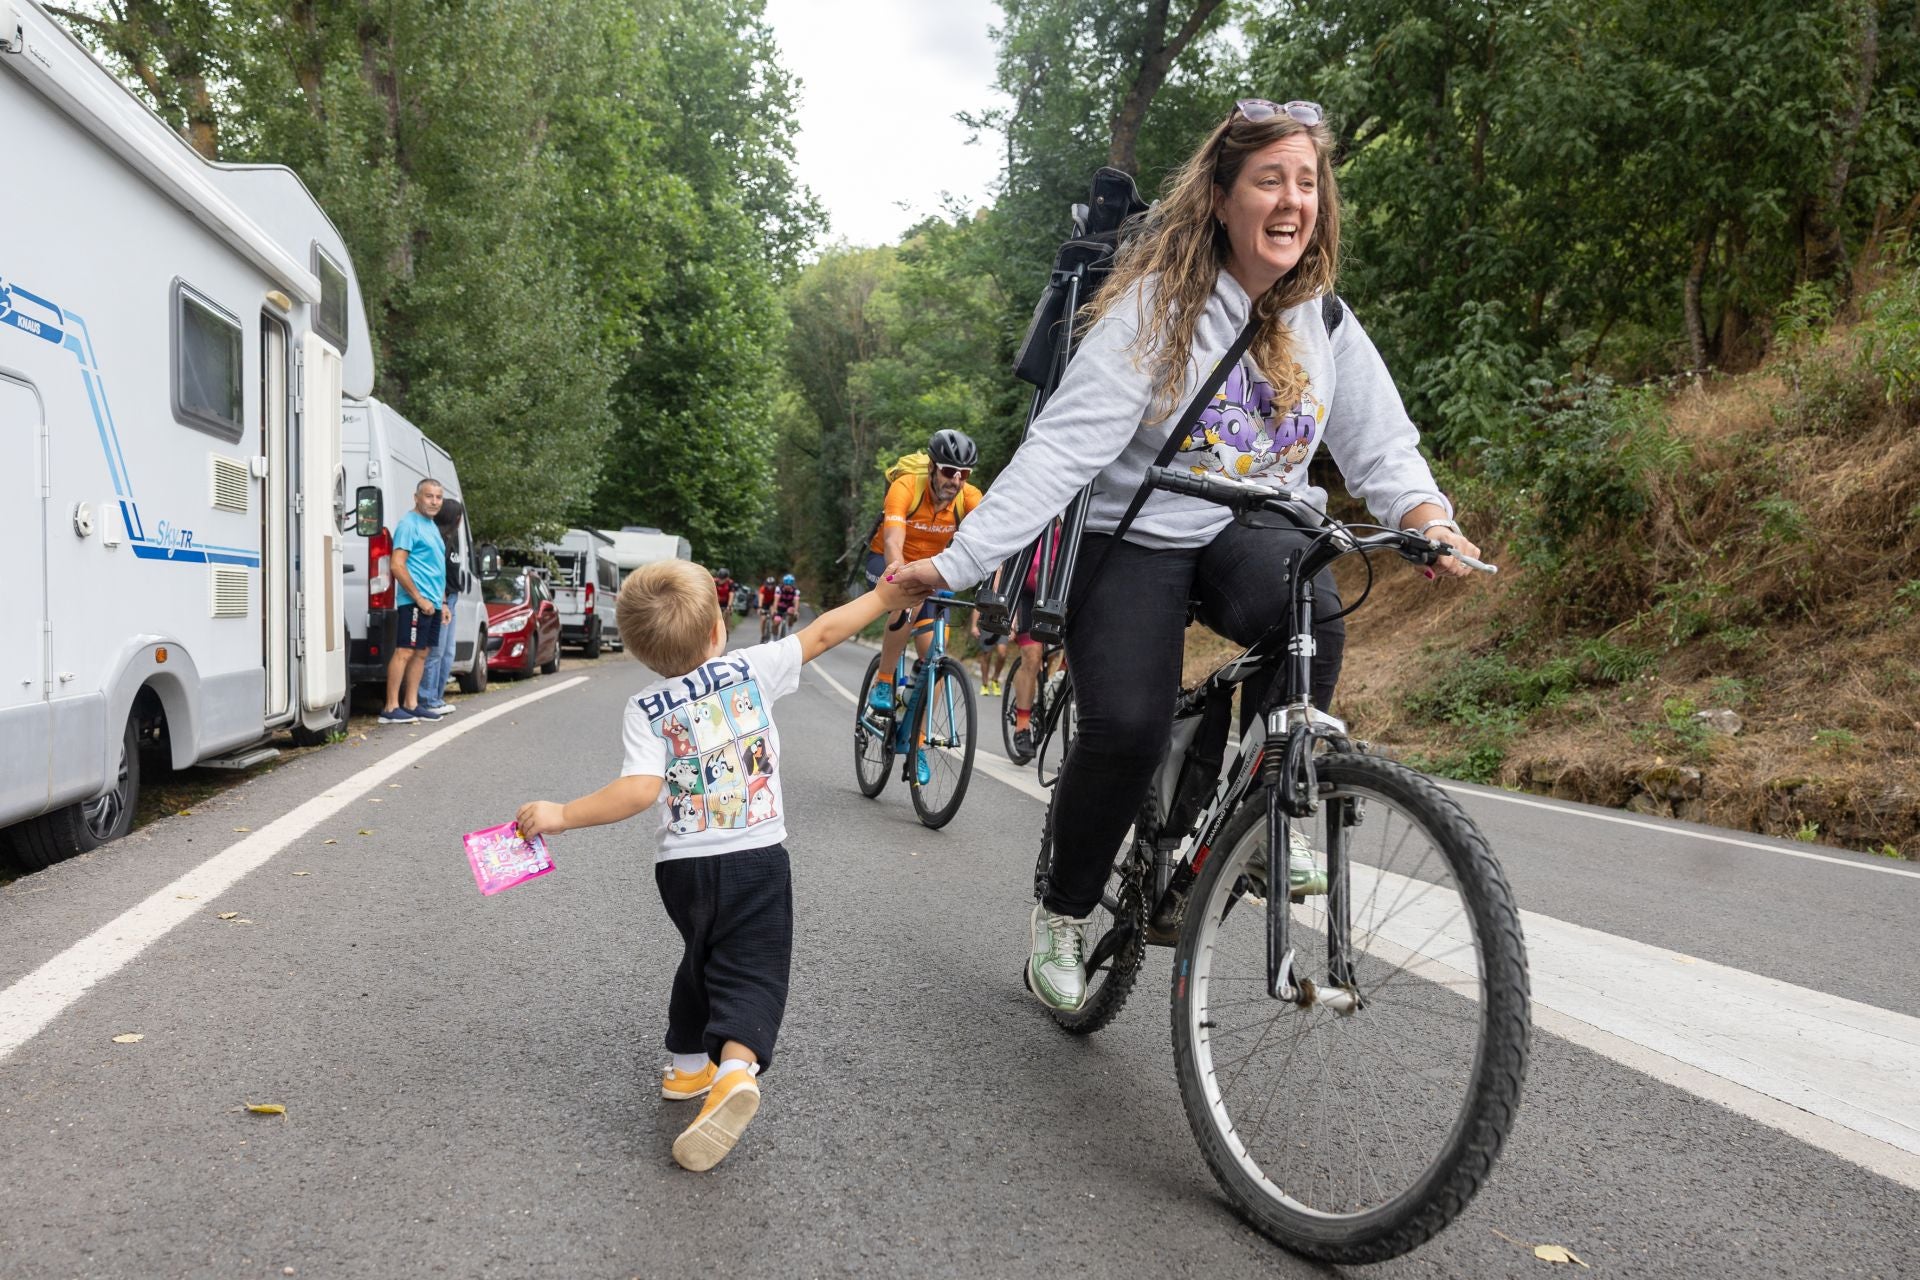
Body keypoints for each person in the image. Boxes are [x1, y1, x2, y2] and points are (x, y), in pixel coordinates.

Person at [889, 98, 1483, 1012]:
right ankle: (1063, 909)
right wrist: (958, 561)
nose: (1293, 201)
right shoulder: (1157, 308)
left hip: (1249, 527)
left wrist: (1427, 514)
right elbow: (1064, 449)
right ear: (1219, 196)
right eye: (1269, 181)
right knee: (1125, 728)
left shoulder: (1322, 321)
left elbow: (1381, 445)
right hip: (1136, 533)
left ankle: (1267, 817)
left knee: (1312, 606)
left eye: (1307, 183)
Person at [514, 558, 928, 1171]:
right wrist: (885, 593)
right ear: (718, 630)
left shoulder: (645, 706)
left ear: (636, 647)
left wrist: (561, 813)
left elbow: (636, 792)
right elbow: (824, 633)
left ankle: (687, 1070)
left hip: (682, 870)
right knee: (754, 968)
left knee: (703, 957)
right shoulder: (749, 668)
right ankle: (735, 1071)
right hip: (756, 857)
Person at [864, 430, 983, 718]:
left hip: (931, 571)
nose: (956, 481)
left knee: (936, 666)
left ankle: (917, 746)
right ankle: (883, 682)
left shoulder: (970, 498)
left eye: (963, 474)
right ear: (932, 467)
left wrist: (995, 595)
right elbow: (893, 541)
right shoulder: (906, 486)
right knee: (909, 597)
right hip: (885, 560)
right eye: (949, 471)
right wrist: (902, 574)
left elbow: (989, 545)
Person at [379, 478, 452, 725]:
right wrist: (419, 599)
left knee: (422, 653)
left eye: (438, 497)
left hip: (432, 602)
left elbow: (436, 568)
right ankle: (390, 707)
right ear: (417, 497)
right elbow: (397, 565)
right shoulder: (409, 524)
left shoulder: (431, 525)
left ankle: (411, 704)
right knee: (405, 651)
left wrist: (442, 603)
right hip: (414, 601)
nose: (434, 501)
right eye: (429, 496)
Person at [416, 495, 467, 716]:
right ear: (454, 518)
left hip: (452, 597)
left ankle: (437, 696)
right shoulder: (439, 539)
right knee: (435, 651)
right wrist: (444, 601)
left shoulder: (451, 537)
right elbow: (436, 573)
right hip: (442, 598)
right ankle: (427, 699)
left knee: (448, 652)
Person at [771, 574, 800, 639]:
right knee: (776, 623)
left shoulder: (796, 591)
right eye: (786, 585)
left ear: (792, 584)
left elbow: (796, 601)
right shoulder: (779, 589)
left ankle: (790, 628)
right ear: (784, 584)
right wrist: (775, 609)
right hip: (779, 607)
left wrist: (796, 611)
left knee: (792, 611)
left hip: (789, 607)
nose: (788, 587)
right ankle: (775, 638)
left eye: (789, 585)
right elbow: (776, 600)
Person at [757, 577, 777, 642]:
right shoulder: (763, 588)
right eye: (769, 584)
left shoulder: (776, 590)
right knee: (763, 619)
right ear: (766, 584)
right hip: (764, 604)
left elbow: (776, 600)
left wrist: (775, 609)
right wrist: (760, 607)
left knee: (774, 615)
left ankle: (773, 632)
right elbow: (761, 598)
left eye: (772, 584)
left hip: (772, 603)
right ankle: (763, 635)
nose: (770, 586)